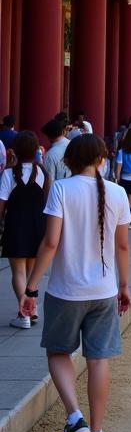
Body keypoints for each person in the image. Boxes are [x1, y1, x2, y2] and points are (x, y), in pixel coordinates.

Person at [21, 134, 131, 432]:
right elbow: (123, 245)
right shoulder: (118, 192)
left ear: (68, 160)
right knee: (98, 359)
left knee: (58, 353)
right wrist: (124, 285)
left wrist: (30, 287)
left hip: (65, 290)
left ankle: (74, 416)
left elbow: (50, 243)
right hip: (104, 289)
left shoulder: (61, 190)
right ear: (102, 159)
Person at [0, 130, 49, 328]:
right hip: (38, 227)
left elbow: (1, 204)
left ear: (16, 150)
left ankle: (24, 314)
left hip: (16, 226)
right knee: (30, 274)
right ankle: (32, 308)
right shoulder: (43, 173)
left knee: (18, 272)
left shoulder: (8, 174)